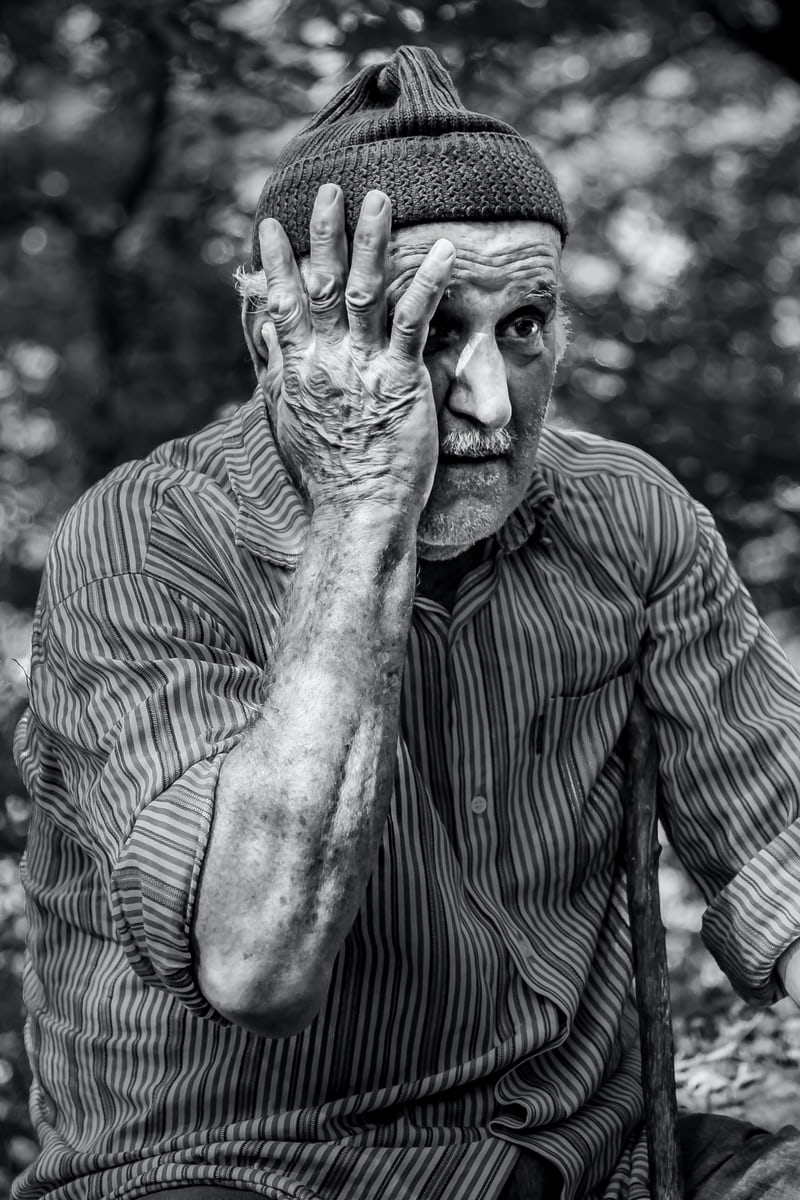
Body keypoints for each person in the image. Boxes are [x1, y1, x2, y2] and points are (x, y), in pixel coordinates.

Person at [12, 44, 800, 1200]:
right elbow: (255, 957)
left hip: (580, 1161)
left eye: (523, 326)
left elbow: (778, 851)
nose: (487, 405)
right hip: (240, 1173)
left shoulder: (627, 516)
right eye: (427, 331)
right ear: (279, 339)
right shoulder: (143, 543)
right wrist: (365, 495)